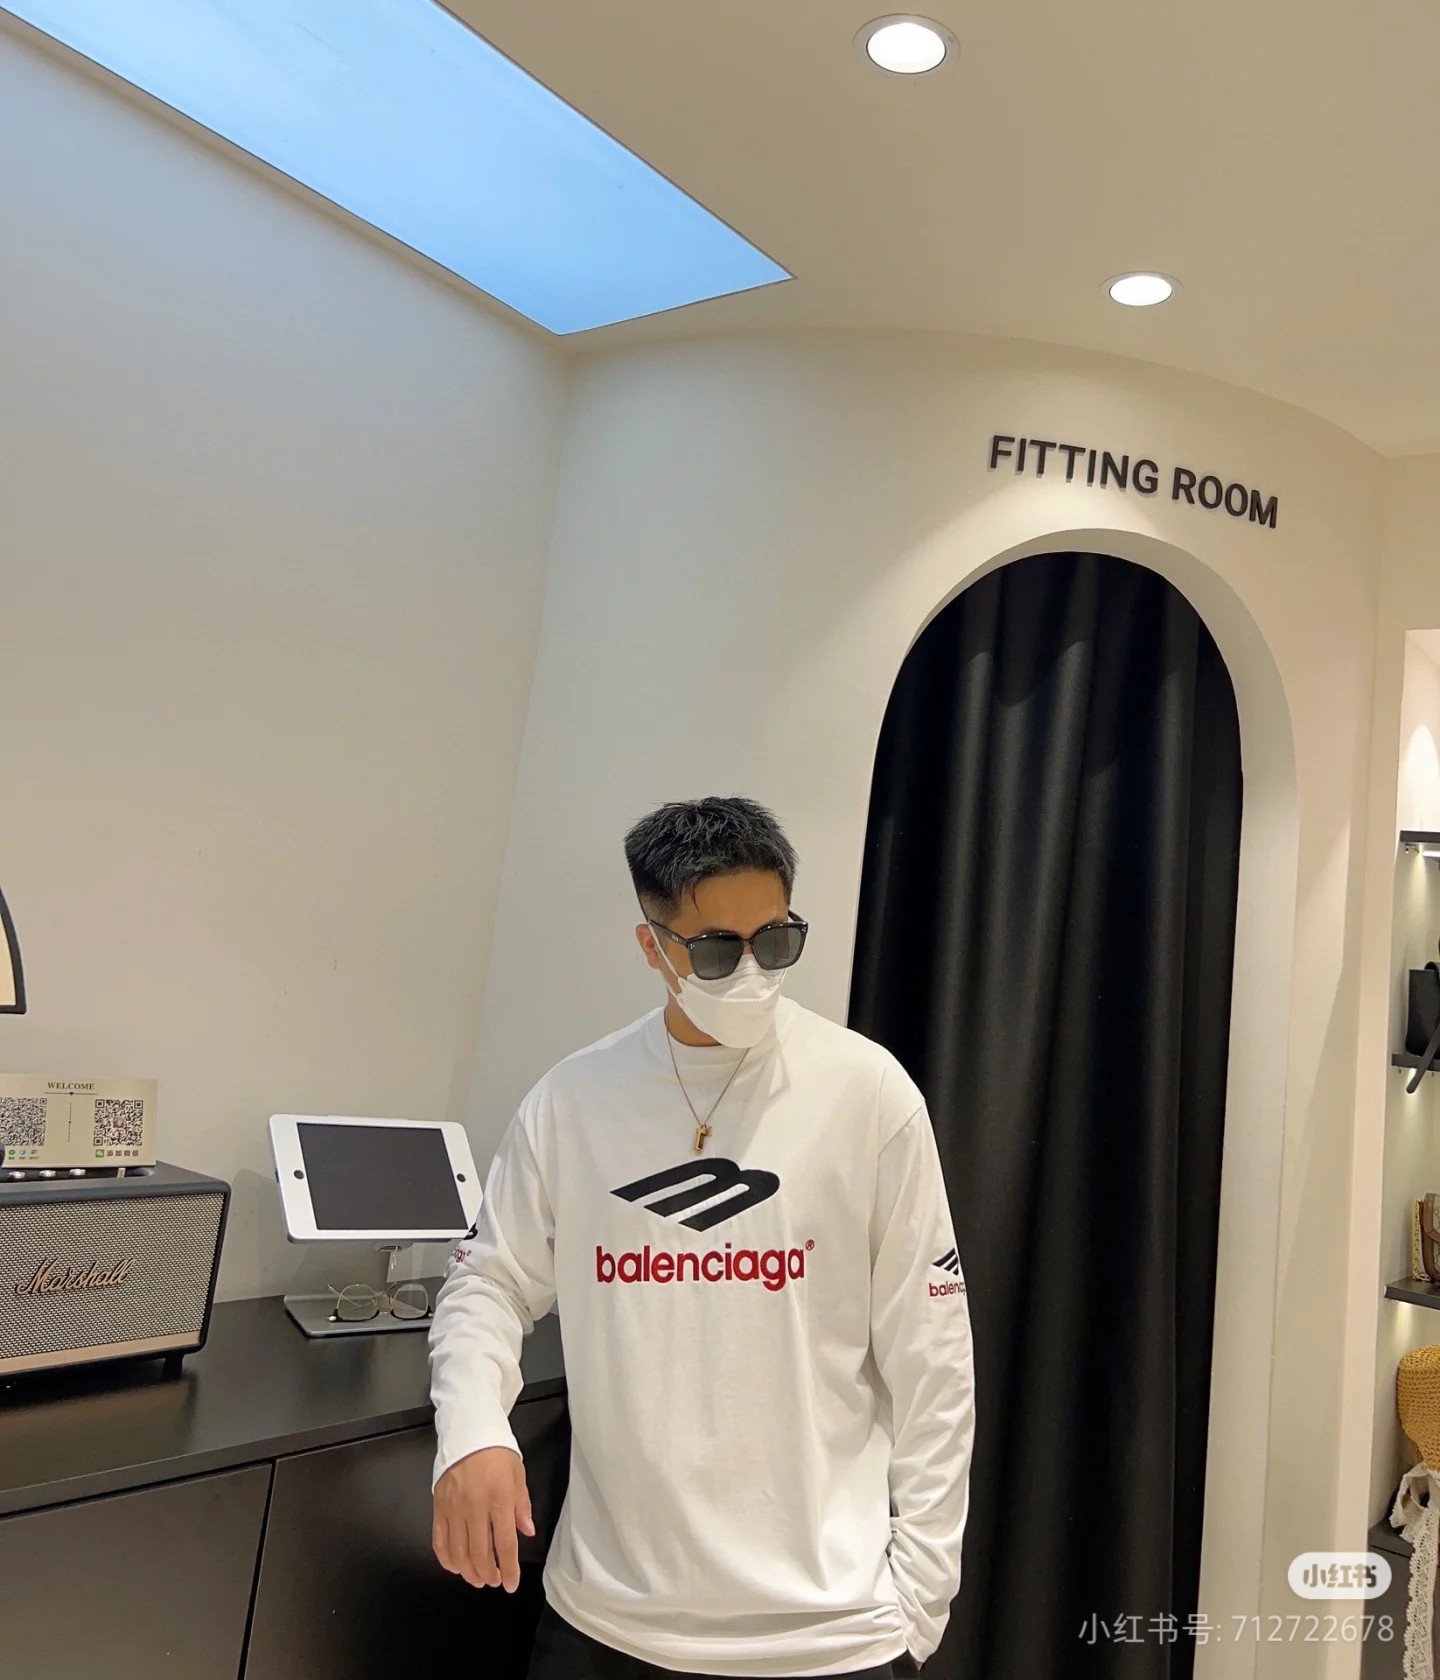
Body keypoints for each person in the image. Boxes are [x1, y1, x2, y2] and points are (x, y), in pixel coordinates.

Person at [429, 796, 975, 1679]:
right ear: (653, 946)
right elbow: (487, 1283)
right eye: (719, 950)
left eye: (777, 940)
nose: (753, 972)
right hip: (606, 1620)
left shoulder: (868, 1095)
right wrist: (472, 1429)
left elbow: (934, 1358)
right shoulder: (574, 1102)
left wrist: (922, 1596)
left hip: (828, 1634)